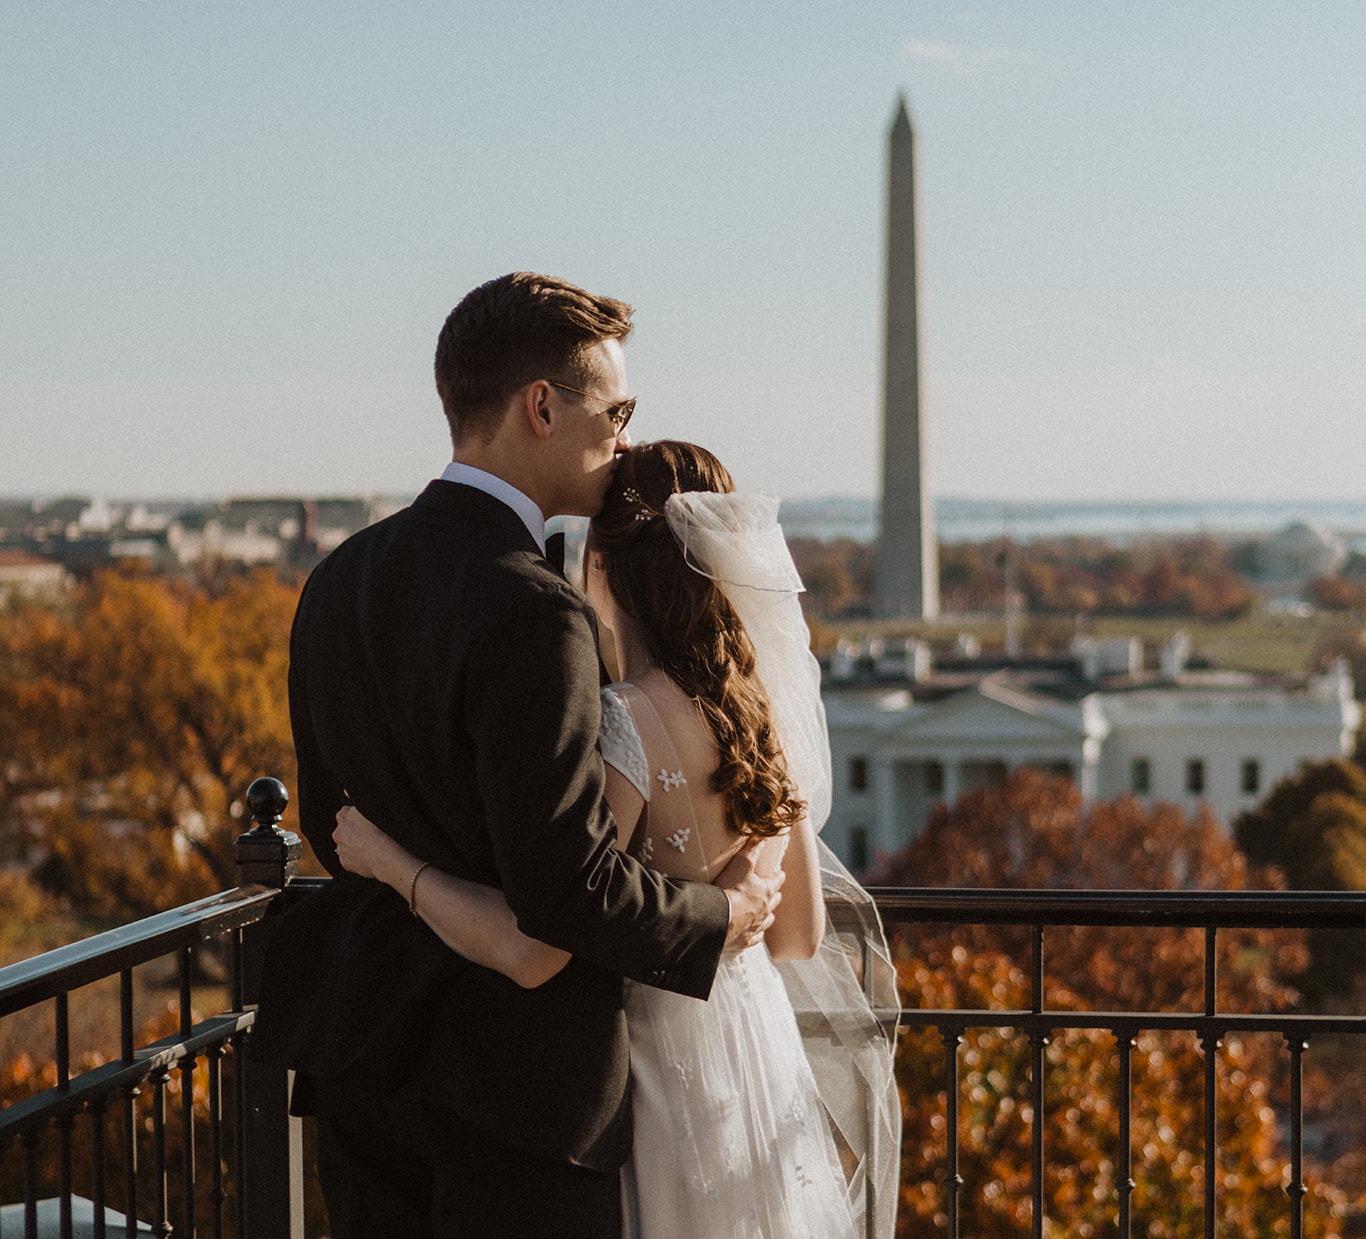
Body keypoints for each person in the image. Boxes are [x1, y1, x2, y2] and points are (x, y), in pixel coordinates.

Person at [248, 274, 783, 1239]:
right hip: (516, 1101)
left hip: (366, 1065)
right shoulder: (536, 611)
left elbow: (337, 827)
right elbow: (566, 889)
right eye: (615, 412)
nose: (621, 439)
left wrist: (409, 879)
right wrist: (724, 914)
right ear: (542, 406)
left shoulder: (337, 579)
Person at [332, 441, 901, 1239]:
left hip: (658, 1076)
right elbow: (799, 936)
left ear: (600, 565)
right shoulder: (759, 716)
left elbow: (539, 945)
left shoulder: (629, 720)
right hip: (755, 1063)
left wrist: (389, 861)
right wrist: (729, 900)